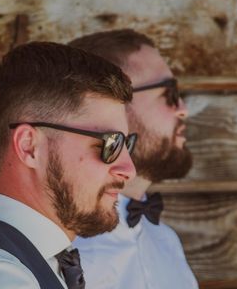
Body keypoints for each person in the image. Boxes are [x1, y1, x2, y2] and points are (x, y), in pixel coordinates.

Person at [0, 41, 137, 289]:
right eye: (111, 143)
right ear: (29, 147)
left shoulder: (35, 265)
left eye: (127, 143)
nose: (129, 169)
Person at [70, 29, 198, 289]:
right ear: (110, 105)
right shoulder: (63, 258)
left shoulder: (166, 241)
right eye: (169, 93)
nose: (183, 109)